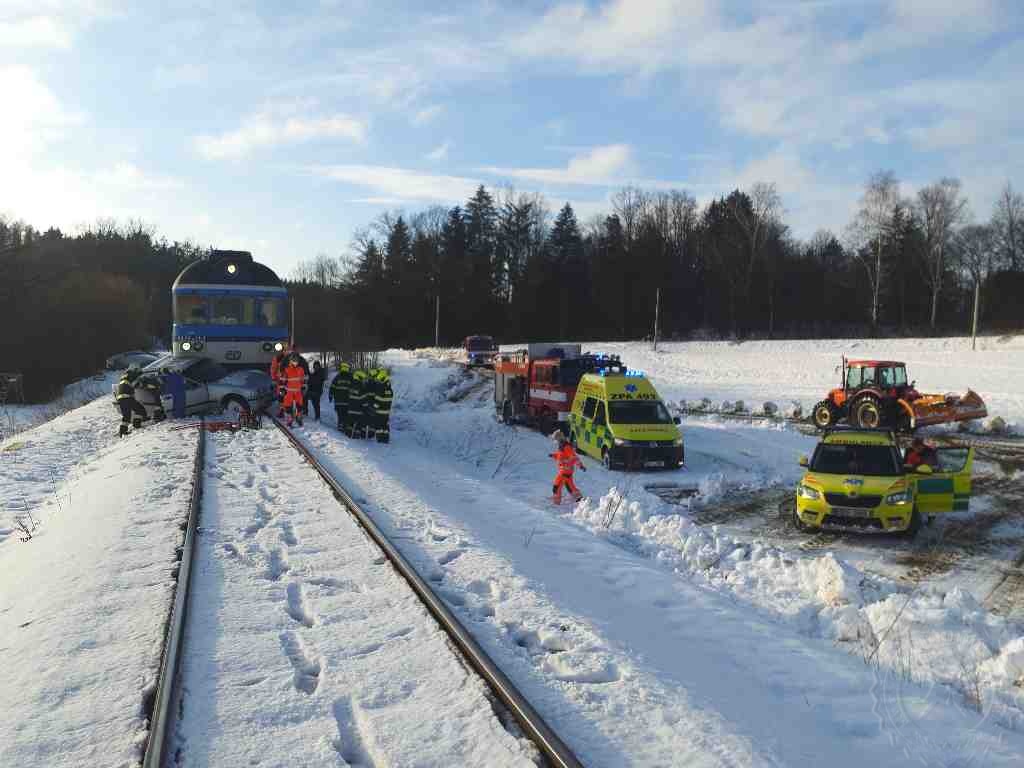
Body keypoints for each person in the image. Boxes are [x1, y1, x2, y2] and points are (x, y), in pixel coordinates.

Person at [549, 430, 585, 504]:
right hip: (565, 470)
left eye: (556, 440)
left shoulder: (567, 447)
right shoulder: (561, 446)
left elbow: (574, 457)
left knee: (557, 485)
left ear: (559, 438)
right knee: (570, 486)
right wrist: (553, 455)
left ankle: (556, 501)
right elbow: (561, 456)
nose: (555, 442)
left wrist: (580, 465)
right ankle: (579, 498)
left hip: (566, 470)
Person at [115, 367, 148, 437]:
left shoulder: (122, 379)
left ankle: (122, 431)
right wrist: (144, 384)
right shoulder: (130, 377)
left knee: (126, 416)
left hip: (120, 399)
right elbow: (136, 384)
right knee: (140, 409)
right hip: (127, 397)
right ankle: (137, 424)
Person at [281, 356, 307, 427]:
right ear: (291, 361)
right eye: (294, 360)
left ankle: (299, 418)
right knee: (287, 406)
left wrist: (304, 386)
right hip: (289, 391)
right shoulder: (287, 370)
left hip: (298, 391)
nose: (296, 362)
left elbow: (303, 379)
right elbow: (283, 380)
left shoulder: (300, 369)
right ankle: (289, 420)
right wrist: (282, 389)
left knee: (300, 406)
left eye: (297, 361)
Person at [328, 361, 353, 432]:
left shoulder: (337, 377)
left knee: (340, 414)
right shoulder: (351, 377)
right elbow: (354, 388)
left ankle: (340, 426)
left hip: (338, 401)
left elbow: (332, 387)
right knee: (346, 414)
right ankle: (345, 426)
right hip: (347, 401)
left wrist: (330, 395)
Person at [372, 369, 393, 443]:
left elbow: (378, 400)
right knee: (385, 426)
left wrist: (373, 407)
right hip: (387, 412)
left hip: (380, 411)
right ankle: (386, 439)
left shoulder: (381, 387)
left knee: (379, 426)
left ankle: (380, 439)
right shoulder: (389, 389)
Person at [347, 369, 369, 438]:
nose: (363, 380)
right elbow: (364, 400)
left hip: (350, 409)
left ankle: (348, 436)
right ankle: (356, 439)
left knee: (350, 425)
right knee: (358, 426)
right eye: (362, 378)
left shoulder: (351, 385)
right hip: (358, 411)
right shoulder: (361, 387)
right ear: (359, 377)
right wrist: (366, 407)